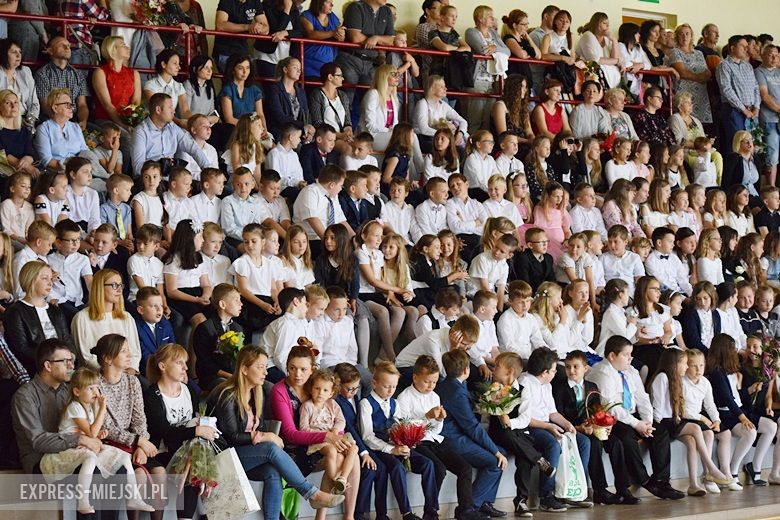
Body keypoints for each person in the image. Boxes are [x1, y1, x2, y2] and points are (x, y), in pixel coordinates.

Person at [587, 335, 686, 502]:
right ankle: (645, 480)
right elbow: (611, 407)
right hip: (609, 418)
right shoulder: (602, 373)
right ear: (612, 356)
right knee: (626, 437)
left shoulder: (630, 371)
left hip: (632, 415)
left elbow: (642, 397)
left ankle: (661, 481)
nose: (630, 358)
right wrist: (637, 424)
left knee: (660, 432)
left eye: (630, 354)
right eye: (626, 355)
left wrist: (647, 421)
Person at [270, 344, 359, 520]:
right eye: (292, 368)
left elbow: (336, 416)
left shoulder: (317, 385)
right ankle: (321, 515)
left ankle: (349, 516)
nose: (297, 374)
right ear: (286, 366)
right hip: (295, 449)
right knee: (337, 455)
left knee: (353, 456)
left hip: (322, 441)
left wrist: (338, 436)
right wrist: (327, 436)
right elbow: (290, 433)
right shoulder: (280, 391)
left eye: (303, 369)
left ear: (312, 369)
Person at [11, 338, 101, 479]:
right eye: (66, 361)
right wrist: (79, 439)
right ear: (48, 366)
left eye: (72, 360)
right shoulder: (25, 396)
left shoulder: (69, 391)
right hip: (40, 462)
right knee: (93, 469)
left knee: (117, 465)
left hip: (72, 453)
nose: (71, 366)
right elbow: (38, 441)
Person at [436, 349, 508, 517]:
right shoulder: (456, 392)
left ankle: (484, 502)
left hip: (458, 434)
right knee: (495, 461)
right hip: (453, 438)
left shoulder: (449, 384)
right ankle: (470, 506)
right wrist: (495, 451)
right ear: (467, 370)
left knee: (501, 454)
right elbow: (472, 427)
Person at [3, 260, 74, 376]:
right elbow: (21, 348)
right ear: (30, 279)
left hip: (63, 365)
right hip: (36, 370)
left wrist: (70, 357)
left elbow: (67, 339)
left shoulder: (55, 310)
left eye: (51, 279)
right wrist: (52, 360)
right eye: (45, 278)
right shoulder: (15, 312)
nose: (50, 283)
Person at [131, 93, 212, 178]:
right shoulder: (140, 132)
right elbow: (137, 168)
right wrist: (160, 165)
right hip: (150, 181)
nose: (173, 111)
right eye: (170, 107)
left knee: (217, 188)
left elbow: (193, 149)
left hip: (172, 179)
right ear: (158, 110)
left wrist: (208, 172)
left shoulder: (172, 127)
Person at [334, 0, 395, 111]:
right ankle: (344, 127)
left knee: (371, 102)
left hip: (371, 62)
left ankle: (364, 128)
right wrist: (377, 40)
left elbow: (390, 40)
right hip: (351, 59)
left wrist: (376, 38)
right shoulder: (355, 7)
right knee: (346, 99)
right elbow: (355, 37)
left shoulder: (387, 11)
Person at [464, 6, 510, 134]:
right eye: (489, 16)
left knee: (487, 121)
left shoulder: (493, 33)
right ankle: (471, 146)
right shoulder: (471, 32)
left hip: (492, 81)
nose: (492, 19)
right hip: (477, 80)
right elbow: (482, 50)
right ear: (480, 18)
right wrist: (495, 49)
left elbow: (507, 51)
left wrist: (495, 48)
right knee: (475, 120)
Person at [33, 37, 89, 127]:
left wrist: (83, 120)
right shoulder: (42, 74)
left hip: (73, 119)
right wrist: (63, 123)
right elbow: (45, 105)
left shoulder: (78, 74)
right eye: (61, 45)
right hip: (51, 120)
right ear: (50, 51)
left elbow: (82, 105)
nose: (67, 48)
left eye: (68, 46)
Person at [717, 35, 761, 150]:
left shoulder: (748, 66)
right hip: (734, 111)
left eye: (747, 46)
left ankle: (749, 168)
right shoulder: (724, 65)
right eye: (743, 46)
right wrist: (743, 109)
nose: (746, 49)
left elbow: (756, 87)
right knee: (736, 145)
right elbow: (727, 90)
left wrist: (756, 107)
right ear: (732, 48)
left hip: (751, 111)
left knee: (752, 145)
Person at [91, 36, 141, 134]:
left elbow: (136, 102)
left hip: (127, 119)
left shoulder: (134, 73)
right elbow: (107, 105)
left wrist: (131, 119)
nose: (128, 48)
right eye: (123, 45)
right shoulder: (100, 72)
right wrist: (122, 124)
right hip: (106, 119)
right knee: (127, 137)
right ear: (113, 49)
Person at [668, 24, 713, 126]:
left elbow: (707, 73)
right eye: (681, 34)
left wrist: (701, 76)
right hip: (684, 94)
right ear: (677, 37)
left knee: (701, 129)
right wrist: (699, 77)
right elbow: (682, 73)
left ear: (691, 36)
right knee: (685, 125)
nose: (684, 37)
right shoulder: (675, 52)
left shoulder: (699, 53)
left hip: (701, 96)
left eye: (687, 34)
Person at [34, 89, 88, 172]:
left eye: (72, 105)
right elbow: (47, 160)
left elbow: (85, 151)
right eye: (67, 105)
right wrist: (71, 170)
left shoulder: (75, 127)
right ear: (55, 108)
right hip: (58, 172)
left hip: (80, 170)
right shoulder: (43, 129)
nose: (72, 108)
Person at [413, 75, 468, 153]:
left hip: (439, 138)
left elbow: (463, 121)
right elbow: (424, 129)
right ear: (432, 89)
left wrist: (461, 133)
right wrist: (446, 136)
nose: (445, 89)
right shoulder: (422, 104)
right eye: (442, 87)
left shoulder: (443, 104)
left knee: (461, 150)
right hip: (423, 139)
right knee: (455, 150)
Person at [308, 63, 353, 154]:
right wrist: (340, 135)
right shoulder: (317, 95)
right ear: (330, 77)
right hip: (327, 138)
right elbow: (318, 123)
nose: (343, 78)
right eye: (340, 76)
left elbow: (347, 121)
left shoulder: (343, 96)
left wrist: (348, 133)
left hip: (342, 136)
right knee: (349, 149)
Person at [265, 57, 313, 140]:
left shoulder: (301, 92)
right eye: (295, 67)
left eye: (300, 69)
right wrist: (303, 126)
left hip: (298, 132)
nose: (299, 71)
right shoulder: (274, 89)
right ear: (285, 69)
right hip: (281, 132)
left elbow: (306, 114)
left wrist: (308, 130)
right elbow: (279, 117)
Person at [212, 0, 269, 70]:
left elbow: (266, 28)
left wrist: (259, 28)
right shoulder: (226, 1)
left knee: (247, 78)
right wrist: (248, 27)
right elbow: (220, 25)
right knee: (232, 80)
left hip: (243, 50)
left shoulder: (255, 2)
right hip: (225, 51)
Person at [142, 49, 191, 129]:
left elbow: (185, 111)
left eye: (179, 64)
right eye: (175, 63)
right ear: (163, 64)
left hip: (171, 124)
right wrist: (178, 122)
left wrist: (195, 121)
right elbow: (159, 111)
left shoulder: (179, 86)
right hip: (152, 125)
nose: (178, 67)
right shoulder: (150, 85)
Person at [575, 12, 622, 90]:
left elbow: (616, 57)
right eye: (604, 23)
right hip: (590, 76)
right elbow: (595, 60)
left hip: (606, 76)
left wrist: (614, 40)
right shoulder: (588, 35)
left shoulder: (607, 39)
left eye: (608, 24)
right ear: (597, 24)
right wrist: (616, 61)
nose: (608, 26)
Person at [219, 55, 267, 128]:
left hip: (254, 128)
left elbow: (260, 114)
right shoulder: (227, 89)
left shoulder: (255, 89)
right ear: (232, 70)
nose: (245, 72)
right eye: (240, 68)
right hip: (235, 130)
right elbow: (229, 119)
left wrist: (264, 129)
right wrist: (251, 127)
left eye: (247, 68)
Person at [301, 0, 344, 80]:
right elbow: (311, 34)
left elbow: (339, 33)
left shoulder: (332, 17)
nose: (332, 5)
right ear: (319, 2)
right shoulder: (307, 15)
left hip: (329, 66)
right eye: (328, 2)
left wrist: (341, 35)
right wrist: (333, 33)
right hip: (310, 65)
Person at [756, 44, 780, 186]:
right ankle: (770, 188)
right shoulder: (759, 72)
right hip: (769, 120)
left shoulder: (779, 72)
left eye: (776, 55)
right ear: (763, 55)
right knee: (772, 156)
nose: (774, 57)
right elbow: (764, 96)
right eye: (770, 54)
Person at [0, 39, 39, 125]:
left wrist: (29, 122)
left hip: (25, 119)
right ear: (3, 54)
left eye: (20, 52)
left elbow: (34, 103)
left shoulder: (25, 71)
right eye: (14, 52)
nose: (18, 55)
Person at [0, 89, 38, 177]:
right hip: (4, 173)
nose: (13, 106)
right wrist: (27, 166)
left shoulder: (24, 130)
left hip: (22, 172)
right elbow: (3, 155)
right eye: (8, 103)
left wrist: (28, 158)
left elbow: (30, 152)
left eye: (16, 102)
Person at [490, 74, 534, 149]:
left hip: (523, 146)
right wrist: (527, 141)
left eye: (525, 87)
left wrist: (533, 139)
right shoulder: (500, 106)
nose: (525, 90)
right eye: (522, 86)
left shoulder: (523, 108)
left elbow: (529, 132)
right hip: (506, 148)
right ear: (514, 88)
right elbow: (503, 135)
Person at [723, 131, 761, 205]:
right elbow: (726, 181)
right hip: (738, 196)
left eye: (751, 140)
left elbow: (758, 185)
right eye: (746, 141)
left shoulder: (756, 159)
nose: (750, 143)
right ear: (739, 143)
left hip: (754, 195)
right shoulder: (733, 158)